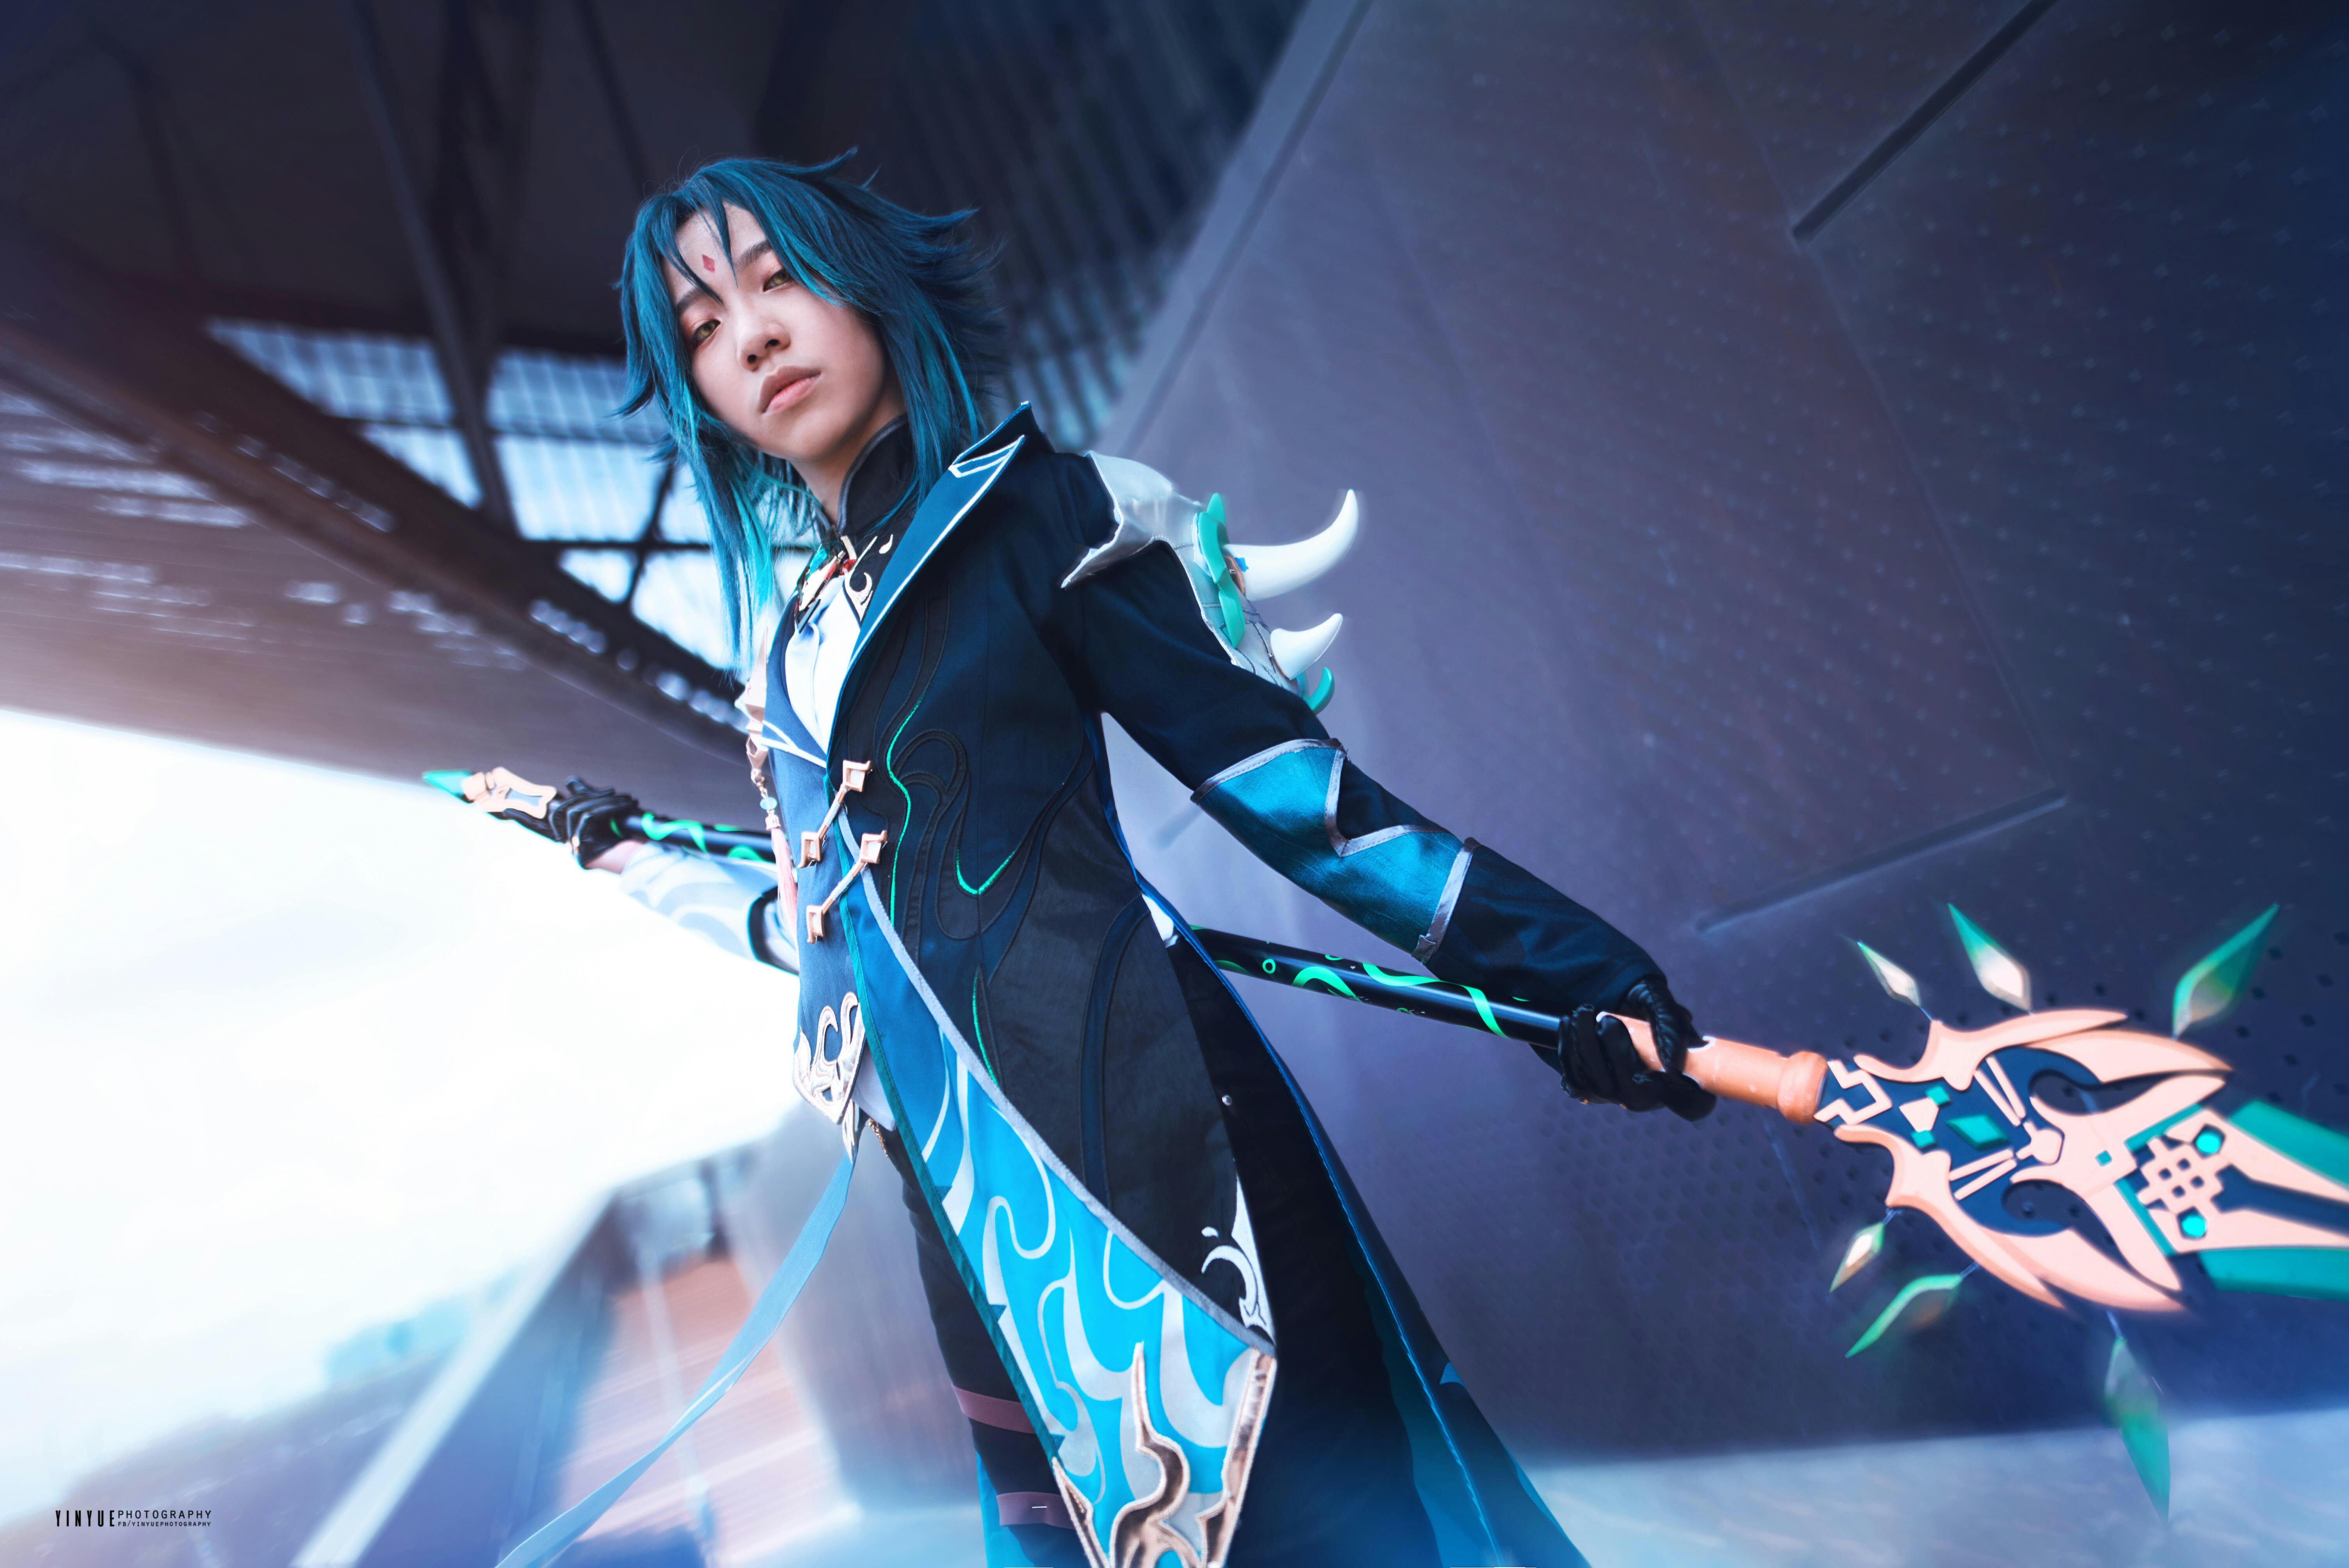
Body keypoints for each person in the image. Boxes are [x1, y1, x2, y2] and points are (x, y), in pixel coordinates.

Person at [505, 155, 1714, 1568]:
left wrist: (1573, 979)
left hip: (1173, 1156)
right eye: (706, 328)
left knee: (1340, 1540)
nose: (755, 337)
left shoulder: (1039, 514)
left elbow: (1310, 811)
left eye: (779, 280)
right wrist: (618, 854)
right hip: (967, 1238)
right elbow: (822, 938)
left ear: (868, 287)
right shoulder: (782, 670)